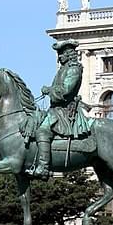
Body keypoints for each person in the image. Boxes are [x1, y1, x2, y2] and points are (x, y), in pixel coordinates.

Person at [32, 39, 83, 178]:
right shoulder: (63, 69)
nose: (59, 57)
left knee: (42, 131)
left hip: (65, 110)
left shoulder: (73, 69)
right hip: (56, 108)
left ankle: (43, 166)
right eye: (58, 54)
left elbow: (66, 90)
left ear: (69, 54)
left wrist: (49, 90)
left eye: (61, 54)